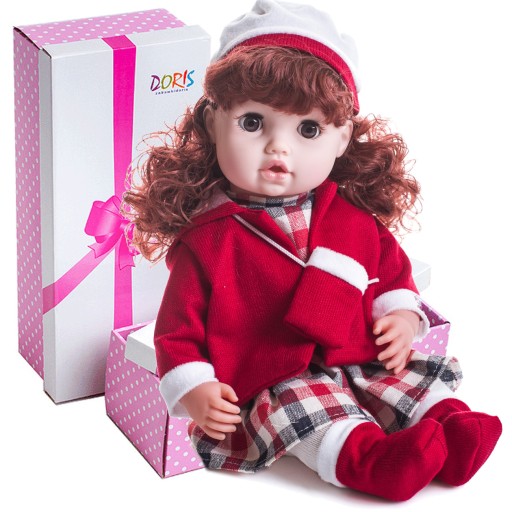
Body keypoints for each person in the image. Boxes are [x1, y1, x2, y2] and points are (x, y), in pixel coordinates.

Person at [123, 0, 501, 502]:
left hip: (358, 350)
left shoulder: (351, 217)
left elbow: (392, 274)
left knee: (400, 382)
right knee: (311, 415)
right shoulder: (211, 239)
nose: (278, 148)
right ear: (214, 124)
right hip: (275, 369)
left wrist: (403, 318)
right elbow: (177, 329)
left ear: (342, 139)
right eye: (253, 122)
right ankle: (370, 462)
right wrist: (193, 387)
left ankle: (450, 425)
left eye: (308, 129)